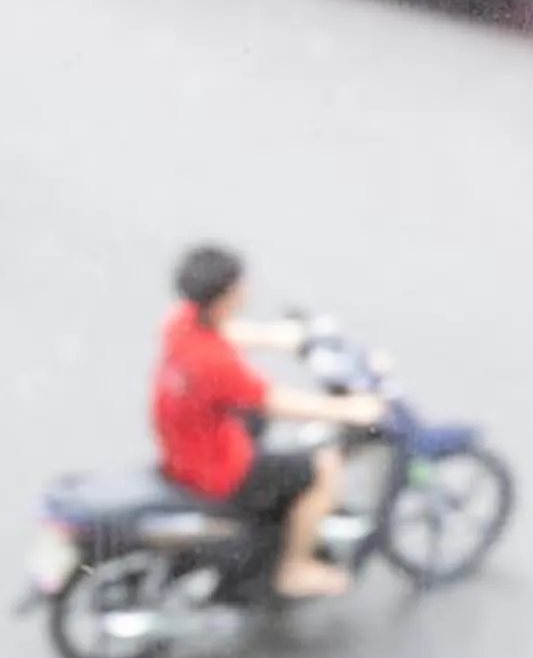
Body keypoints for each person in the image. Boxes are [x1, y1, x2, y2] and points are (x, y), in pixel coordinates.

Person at [153, 244, 385, 600]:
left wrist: (283, 336)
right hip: (217, 468)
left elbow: (226, 332)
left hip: (184, 445)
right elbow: (274, 401)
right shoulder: (215, 363)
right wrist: (347, 409)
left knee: (256, 425)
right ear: (225, 297)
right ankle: (295, 569)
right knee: (323, 468)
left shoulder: (180, 322)